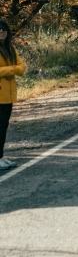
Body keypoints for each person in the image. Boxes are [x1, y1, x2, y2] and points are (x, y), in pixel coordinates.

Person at [0, 20, 26, 170]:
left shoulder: (10, 48)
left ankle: (1, 156)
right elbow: (16, 68)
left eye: (4, 29)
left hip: (7, 95)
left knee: (3, 127)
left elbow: (22, 68)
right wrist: (11, 70)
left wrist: (7, 70)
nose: (1, 31)